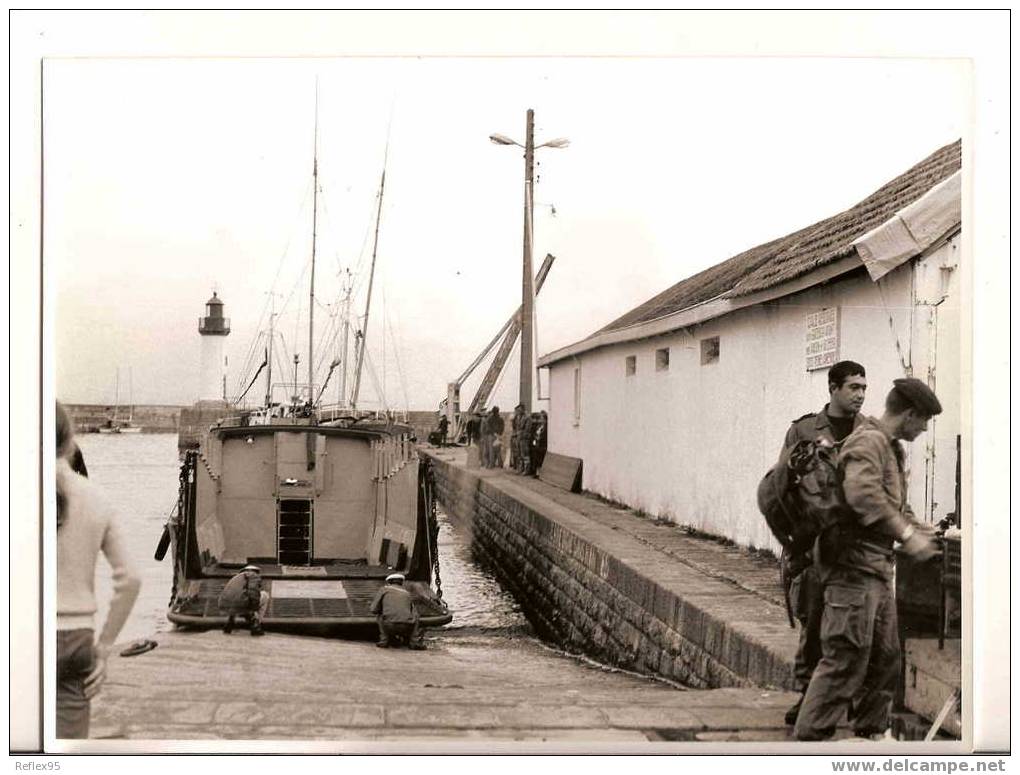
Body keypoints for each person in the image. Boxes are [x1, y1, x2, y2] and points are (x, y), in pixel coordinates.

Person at [794, 378, 942, 741]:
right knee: (845, 659)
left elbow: (892, 504)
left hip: (875, 569)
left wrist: (924, 529)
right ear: (908, 414)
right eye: (923, 421)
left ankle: (871, 735)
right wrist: (907, 536)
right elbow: (862, 496)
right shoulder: (868, 442)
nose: (924, 429)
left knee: (886, 658)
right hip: (851, 570)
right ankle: (809, 741)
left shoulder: (891, 448)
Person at [781, 360, 868, 726]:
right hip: (815, 546)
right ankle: (808, 697)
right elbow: (783, 486)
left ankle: (842, 700)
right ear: (833, 388)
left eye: (864, 387)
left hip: (855, 548)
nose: (860, 395)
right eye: (853, 387)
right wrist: (795, 542)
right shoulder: (803, 430)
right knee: (814, 625)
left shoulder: (871, 433)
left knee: (851, 629)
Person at [56, 401, 141, 739]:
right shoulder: (96, 497)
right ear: (70, 441)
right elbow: (131, 578)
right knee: (65, 750)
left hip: (19, 634)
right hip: (76, 638)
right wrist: (104, 647)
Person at [370, 573, 425, 649]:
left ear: (389, 582)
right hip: (407, 626)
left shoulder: (383, 590)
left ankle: (384, 640)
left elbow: (373, 609)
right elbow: (413, 610)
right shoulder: (407, 594)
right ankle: (414, 641)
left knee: (379, 616)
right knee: (415, 615)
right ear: (402, 583)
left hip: (389, 625)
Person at [219, 565, 269, 636]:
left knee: (236, 598)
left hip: (229, 604)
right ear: (255, 571)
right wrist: (254, 608)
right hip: (243, 604)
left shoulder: (237, 578)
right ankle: (256, 625)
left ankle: (229, 623)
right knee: (265, 595)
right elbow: (253, 592)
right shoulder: (254, 577)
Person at [529, 411, 548, 476]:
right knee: (536, 458)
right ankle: (536, 472)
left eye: (542, 418)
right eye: (540, 418)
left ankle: (539, 473)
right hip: (537, 444)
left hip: (542, 445)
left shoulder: (546, 427)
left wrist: (539, 438)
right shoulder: (539, 426)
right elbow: (535, 433)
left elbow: (544, 435)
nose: (540, 420)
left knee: (540, 459)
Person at [509, 404, 526, 473]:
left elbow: (525, 429)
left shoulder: (525, 418)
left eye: (519, 410)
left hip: (521, 438)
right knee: (518, 453)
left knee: (523, 454)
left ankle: (524, 469)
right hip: (517, 437)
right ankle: (519, 468)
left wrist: (518, 434)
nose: (517, 411)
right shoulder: (517, 418)